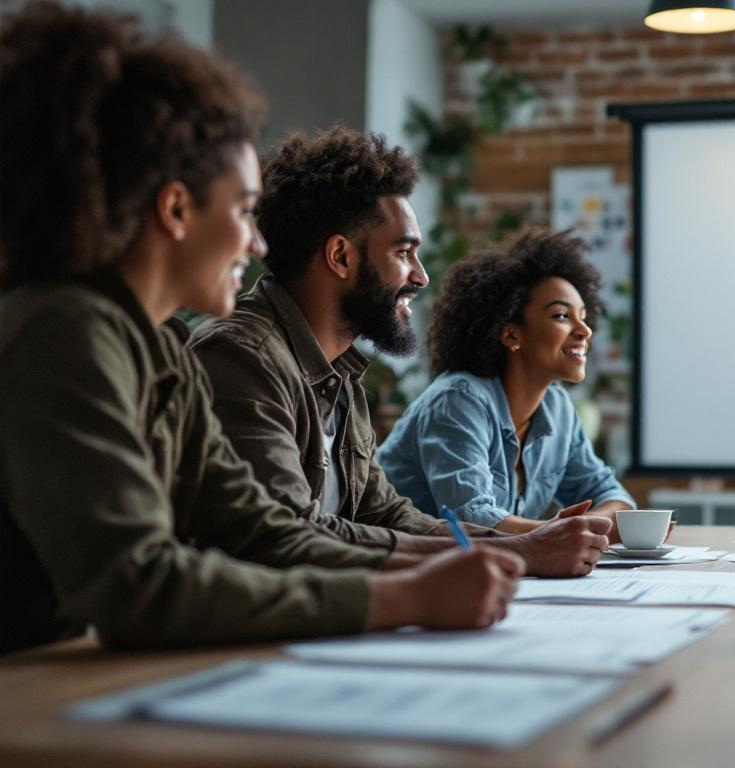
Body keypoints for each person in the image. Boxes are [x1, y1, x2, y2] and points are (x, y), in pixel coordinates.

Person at [0, 1, 520, 654]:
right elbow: (139, 586)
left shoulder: (159, 346)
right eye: (246, 212)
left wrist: (446, 568)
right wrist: (403, 596)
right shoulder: (64, 331)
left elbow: (260, 531)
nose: (257, 244)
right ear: (177, 209)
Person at [188, 127, 609, 576]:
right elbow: (287, 534)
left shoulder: (340, 374)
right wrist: (517, 552)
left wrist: (522, 541)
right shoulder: (242, 358)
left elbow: (387, 515)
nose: (422, 277)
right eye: (404, 252)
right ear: (341, 257)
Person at [377, 229, 638, 539]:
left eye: (583, 316)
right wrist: (567, 533)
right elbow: (471, 520)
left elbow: (613, 497)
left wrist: (579, 531)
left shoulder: (557, 408)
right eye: (561, 315)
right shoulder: (457, 401)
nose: (585, 330)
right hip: (395, 571)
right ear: (512, 335)